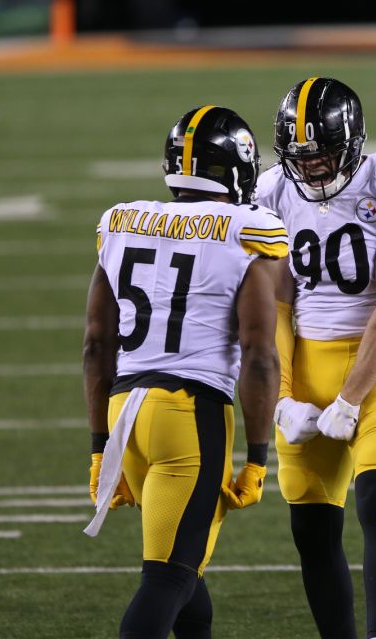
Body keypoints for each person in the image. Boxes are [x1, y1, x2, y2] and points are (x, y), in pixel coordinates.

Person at [82, 106, 285, 639]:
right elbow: (260, 355)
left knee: (187, 572)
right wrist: (260, 457)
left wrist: (101, 446)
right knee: (168, 579)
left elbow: (95, 346)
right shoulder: (248, 229)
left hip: (126, 409)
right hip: (189, 416)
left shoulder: (121, 221)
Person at [260, 77, 376, 639]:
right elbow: (277, 304)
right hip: (307, 359)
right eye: (301, 157)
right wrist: (283, 396)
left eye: (324, 156)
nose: (312, 169)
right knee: (312, 527)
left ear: (354, 142)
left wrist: (348, 400)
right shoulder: (271, 193)